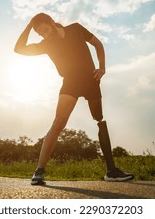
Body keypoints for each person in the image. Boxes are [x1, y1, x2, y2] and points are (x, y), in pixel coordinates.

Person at [14, 13, 134, 185]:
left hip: (91, 79)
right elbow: (18, 49)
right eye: (40, 34)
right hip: (71, 83)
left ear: (51, 22)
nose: (44, 35)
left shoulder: (75, 29)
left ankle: (111, 171)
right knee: (59, 122)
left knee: (99, 119)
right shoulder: (46, 44)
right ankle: (39, 171)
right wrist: (29, 24)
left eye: (45, 30)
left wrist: (102, 67)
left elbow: (97, 44)